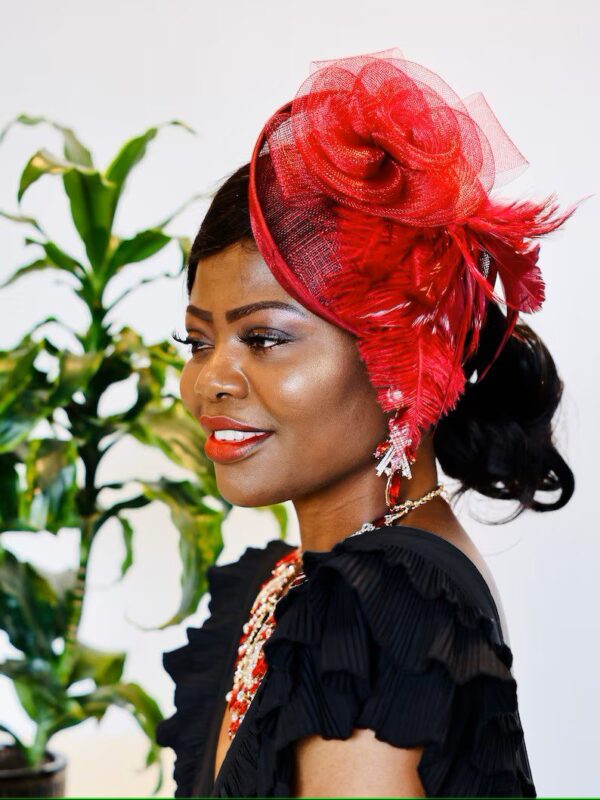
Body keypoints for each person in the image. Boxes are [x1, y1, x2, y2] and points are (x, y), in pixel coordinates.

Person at [155, 48, 576, 797]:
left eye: (264, 338)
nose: (208, 381)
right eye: (198, 340)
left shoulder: (377, 610)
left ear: (402, 351)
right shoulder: (317, 579)